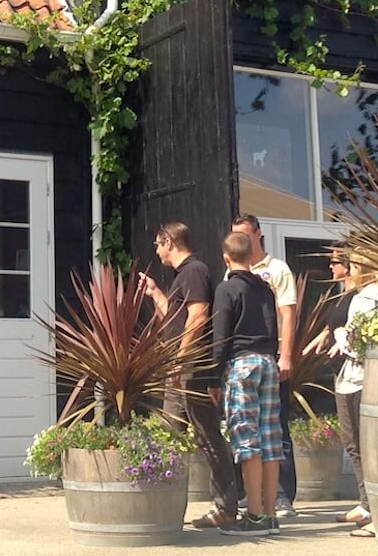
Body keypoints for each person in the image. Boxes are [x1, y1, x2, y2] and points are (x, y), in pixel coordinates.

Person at [139, 222, 240, 530]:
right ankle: (160, 505)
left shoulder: (194, 271)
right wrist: (156, 293)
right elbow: (176, 314)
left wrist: (181, 360)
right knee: (170, 433)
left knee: (207, 434)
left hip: (191, 368)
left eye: (158, 244)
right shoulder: (183, 276)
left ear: (170, 242)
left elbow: (197, 316)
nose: (156, 251)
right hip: (180, 368)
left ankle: (226, 507)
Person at [211, 231, 283, 536]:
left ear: (226, 258)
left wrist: (213, 376)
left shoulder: (227, 289)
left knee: (247, 440)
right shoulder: (265, 288)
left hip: (242, 365)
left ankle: (252, 515)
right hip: (268, 362)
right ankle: (269, 514)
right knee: (269, 437)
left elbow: (221, 335)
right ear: (251, 256)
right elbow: (273, 325)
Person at [328, 254, 378, 538]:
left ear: (364, 270)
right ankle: (368, 504)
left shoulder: (364, 299)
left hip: (358, 378)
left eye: (354, 267)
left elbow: (356, 344)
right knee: (369, 445)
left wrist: (338, 336)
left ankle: (375, 509)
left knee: (360, 444)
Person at [231, 213, 298, 517]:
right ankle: (252, 496)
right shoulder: (231, 271)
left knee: (276, 427)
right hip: (243, 363)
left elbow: (287, 315)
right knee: (246, 427)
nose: (242, 240)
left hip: (271, 360)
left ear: (258, 234)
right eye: (236, 235)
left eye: (245, 234)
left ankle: (283, 496)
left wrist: (285, 355)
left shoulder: (277, 269)